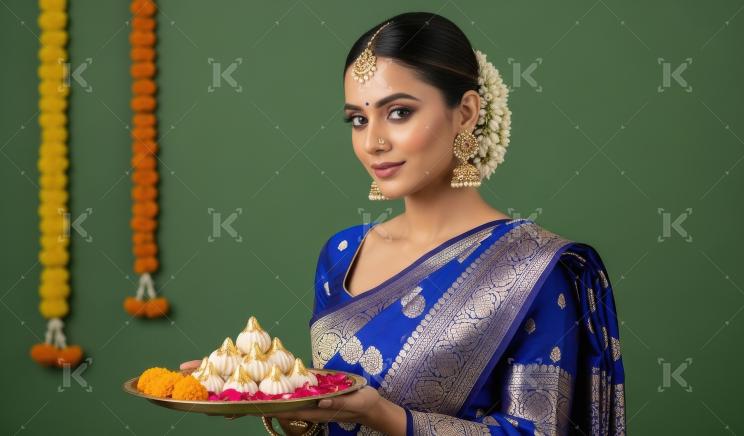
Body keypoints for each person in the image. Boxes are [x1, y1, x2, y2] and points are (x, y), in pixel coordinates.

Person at [183, 12, 625, 435]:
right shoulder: (343, 255)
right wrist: (279, 399)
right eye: (358, 119)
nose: (373, 142)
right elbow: (329, 427)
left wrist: (385, 416)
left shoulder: (531, 268)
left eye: (398, 113)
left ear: (466, 113)